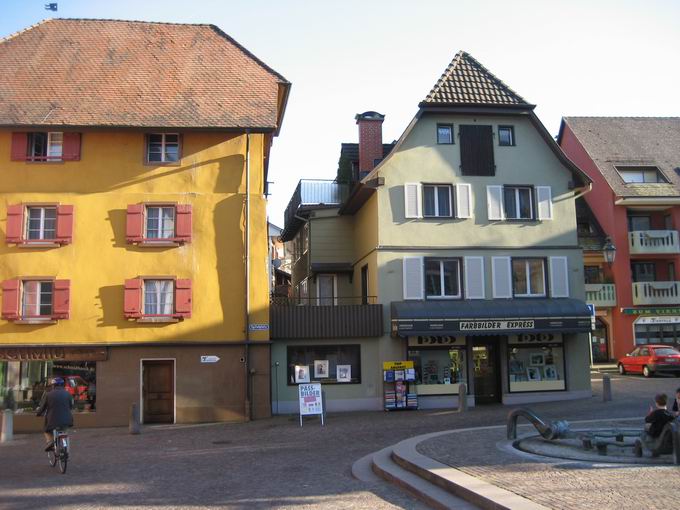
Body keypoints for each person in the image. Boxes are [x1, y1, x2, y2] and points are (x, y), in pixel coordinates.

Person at [36, 377, 74, 451]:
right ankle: (65, 446)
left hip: (52, 420)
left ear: (53, 385)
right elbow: (71, 406)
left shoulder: (48, 395)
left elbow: (42, 407)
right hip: (67, 420)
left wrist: (38, 413)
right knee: (64, 430)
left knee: (46, 430)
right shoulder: (68, 394)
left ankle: (50, 442)